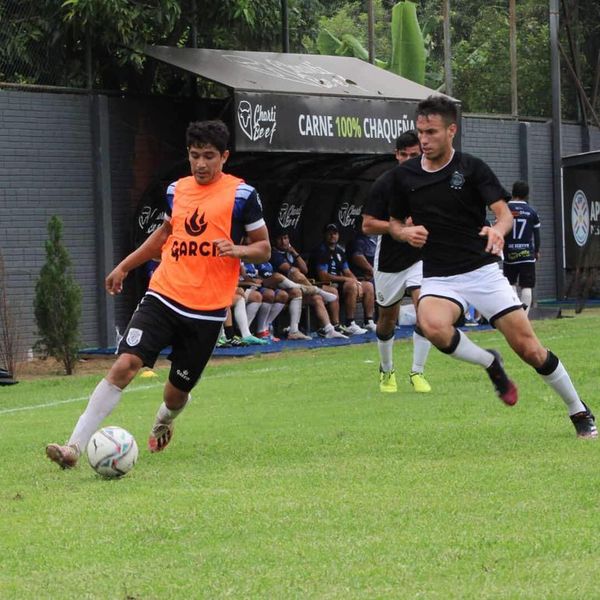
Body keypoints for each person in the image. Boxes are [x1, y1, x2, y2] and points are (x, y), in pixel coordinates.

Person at [46, 119, 272, 469]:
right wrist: (125, 266)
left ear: (224, 157)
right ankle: (73, 447)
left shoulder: (243, 195)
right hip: (164, 295)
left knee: (175, 393)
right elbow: (165, 235)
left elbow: (264, 249)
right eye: (195, 155)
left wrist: (238, 251)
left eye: (209, 156)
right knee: (125, 364)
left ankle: (165, 419)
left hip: (207, 311)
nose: (200, 164)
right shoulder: (176, 190)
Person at [385, 94, 596, 438]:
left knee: (530, 348)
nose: (423, 139)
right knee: (432, 325)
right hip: (438, 274)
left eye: (432, 132)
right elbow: (393, 223)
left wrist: (498, 231)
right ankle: (489, 363)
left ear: (451, 130)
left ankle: (578, 410)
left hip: (481, 271)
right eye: (420, 131)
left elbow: (505, 214)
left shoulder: (472, 168)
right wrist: (404, 232)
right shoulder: (404, 176)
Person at [364, 130, 432, 393]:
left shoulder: (432, 182)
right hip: (390, 262)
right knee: (387, 320)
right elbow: (367, 226)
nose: (408, 160)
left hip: (420, 258)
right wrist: (400, 227)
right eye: (403, 155)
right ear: (397, 155)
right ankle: (386, 369)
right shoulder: (384, 183)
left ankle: (418, 372)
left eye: (414, 155)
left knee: (425, 311)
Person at [270, 230, 346, 339]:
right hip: (284, 290)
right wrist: (296, 270)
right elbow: (288, 270)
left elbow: (305, 270)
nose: (283, 242)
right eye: (280, 239)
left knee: (317, 298)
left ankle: (330, 329)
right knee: (295, 272)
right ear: (274, 241)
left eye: (285, 238)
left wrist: (294, 253)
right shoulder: (274, 253)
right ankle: (317, 290)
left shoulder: (290, 253)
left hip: (300, 289)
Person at [311, 223, 376, 335]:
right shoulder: (321, 250)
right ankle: (348, 323)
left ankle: (368, 321)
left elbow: (347, 272)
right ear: (324, 235)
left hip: (338, 283)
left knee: (368, 286)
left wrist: (357, 282)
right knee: (348, 286)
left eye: (335, 233)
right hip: (323, 284)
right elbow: (323, 276)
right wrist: (347, 280)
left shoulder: (339, 251)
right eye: (329, 233)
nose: (332, 236)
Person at [503, 180, 541, 316]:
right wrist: (536, 251)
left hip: (509, 254)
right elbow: (537, 235)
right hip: (527, 255)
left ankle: (514, 314)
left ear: (513, 192)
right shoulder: (532, 212)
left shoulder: (505, 210)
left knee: (510, 283)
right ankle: (524, 317)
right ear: (527, 195)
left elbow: (500, 230)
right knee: (527, 285)